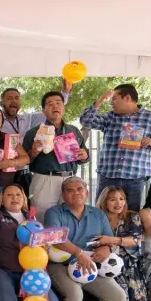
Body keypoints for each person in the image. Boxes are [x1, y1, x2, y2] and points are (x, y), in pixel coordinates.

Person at [45, 177, 130, 301]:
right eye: (70, 190)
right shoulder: (54, 212)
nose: (76, 193)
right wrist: (78, 253)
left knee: (117, 296)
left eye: (80, 189)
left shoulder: (98, 214)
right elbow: (56, 238)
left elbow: (108, 240)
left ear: (87, 193)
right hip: (61, 263)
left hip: (91, 265)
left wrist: (106, 251)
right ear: (63, 195)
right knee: (75, 295)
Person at [0, 78, 72, 193]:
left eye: (16, 98)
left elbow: (52, 110)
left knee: (22, 207)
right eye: (9, 98)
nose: (13, 101)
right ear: (1, 103)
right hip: (1, 174)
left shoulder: (29, 119)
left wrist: (65, 92)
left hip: (23, 173)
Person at [79, 84, 151, 211]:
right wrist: (99, 101)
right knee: (101, 214)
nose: (111, 102)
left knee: (131, 217)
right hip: (108, 176)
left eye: (114, 98)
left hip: (135, 178)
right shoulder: (110, 117)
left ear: (127, 98)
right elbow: (85, 121)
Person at [93, 187, 150, 301]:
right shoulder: (97, 218)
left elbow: (135, 240)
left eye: (121, 198)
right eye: (112, 199)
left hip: (129, 264)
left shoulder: (133, 217)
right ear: (104, 201)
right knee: (121, 296)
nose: (118, 203)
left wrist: (111, 240)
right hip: (106, 267)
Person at [23, 91, 88, 222]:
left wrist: (84, 155)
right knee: (43, 217)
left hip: (70, 179)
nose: (55, 107)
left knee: (70, 217)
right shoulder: (34, 132)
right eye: (50, 104)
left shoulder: (73, 130)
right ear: (43, 110)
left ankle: (67, 243)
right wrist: (33, 153)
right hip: (45, 179)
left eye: (58, 103)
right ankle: (43, 243)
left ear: (63, 107)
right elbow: (24, 160)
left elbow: (84, 156)